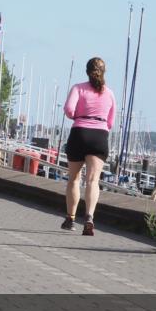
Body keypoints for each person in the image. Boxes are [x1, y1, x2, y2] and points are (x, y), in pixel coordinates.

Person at [61, 57, 116, 236]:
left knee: (74, 179)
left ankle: (70, 219)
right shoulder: (109, 94)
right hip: (99, 136)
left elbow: (69, 110)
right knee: (93, 181)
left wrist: (79, 116)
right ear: (104, 72)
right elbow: (110, 122)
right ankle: (89, 217)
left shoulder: (78, 88)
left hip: (79, 134)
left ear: (87, 71)